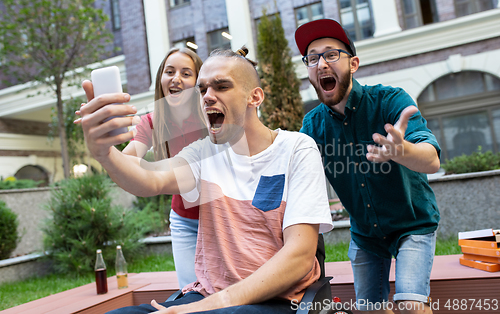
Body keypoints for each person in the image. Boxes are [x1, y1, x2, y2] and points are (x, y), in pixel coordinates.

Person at [78, 47, 333, 314]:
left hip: (278, 300)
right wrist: (103, 153)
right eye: (202, 90)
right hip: (209, 295)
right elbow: (147, 179)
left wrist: (207, 306)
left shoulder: (297, 149)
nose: (208, 97)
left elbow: (300, 257)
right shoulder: (204, 152)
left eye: (221, 86)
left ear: (254, 97)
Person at [295, 19, 440, 314]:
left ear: (354, 64)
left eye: (331, 54)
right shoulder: (311, 126)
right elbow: (294, 182)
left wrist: (402, 151)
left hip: (413, 224)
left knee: (412, 305)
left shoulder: (389, 100)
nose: (321, 63)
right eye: (313, 58)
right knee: (369, 311)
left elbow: (432, 159)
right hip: (365, 235)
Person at [122, 48, 207, 288]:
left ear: (198, 82)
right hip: (183, 219)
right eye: (169, 72)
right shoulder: (151, 121)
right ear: (161, 79)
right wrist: (105, 147)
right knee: (190, 289)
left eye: (186, 73)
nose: (176, 78)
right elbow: (129, 159)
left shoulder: (209, 115)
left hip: (220, 214)